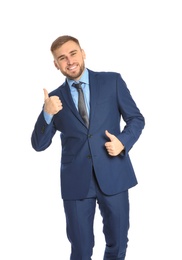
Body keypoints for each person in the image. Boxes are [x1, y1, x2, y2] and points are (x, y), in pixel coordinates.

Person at [31, 35, 145, 260]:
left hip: (114, 173)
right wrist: (46, 113)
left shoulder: (112, 81)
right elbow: (39, 144)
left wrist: (123, 141)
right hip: (76, 182)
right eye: (62, 58)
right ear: (56, 64)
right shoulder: (54, 99)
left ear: (83, 53)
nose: (69, 61)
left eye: (73, 53)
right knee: (81, 250)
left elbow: (136, 119)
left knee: (118, 243)